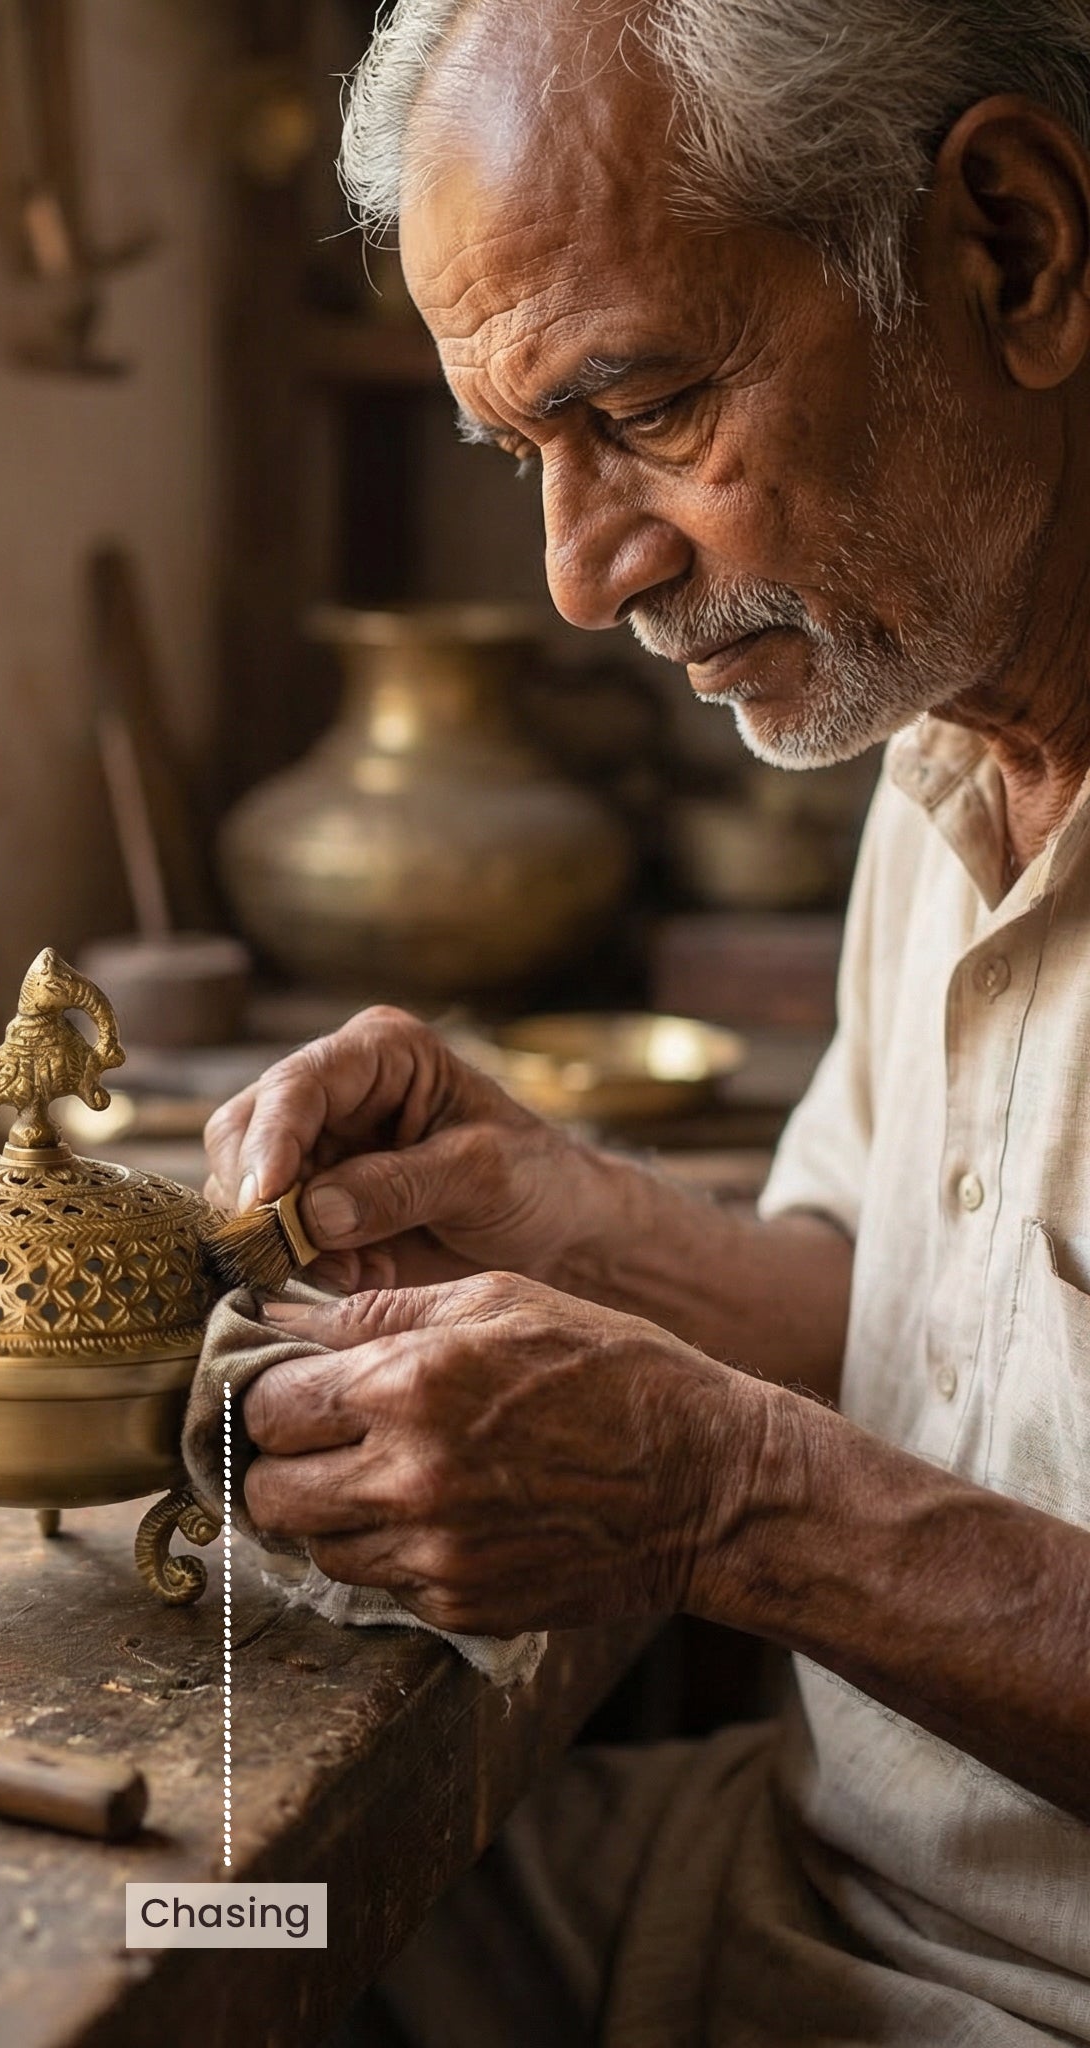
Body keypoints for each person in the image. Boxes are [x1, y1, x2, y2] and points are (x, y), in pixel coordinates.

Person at [204, 2, 1090, 2040]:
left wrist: (716, 1498)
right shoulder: (948, 712)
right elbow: (908, 1321)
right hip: (777, 1876)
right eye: (525, 452)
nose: (583, 577)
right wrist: (557, 1215)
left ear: (1012, 251)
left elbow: (770, 1470)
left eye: (647, 403)